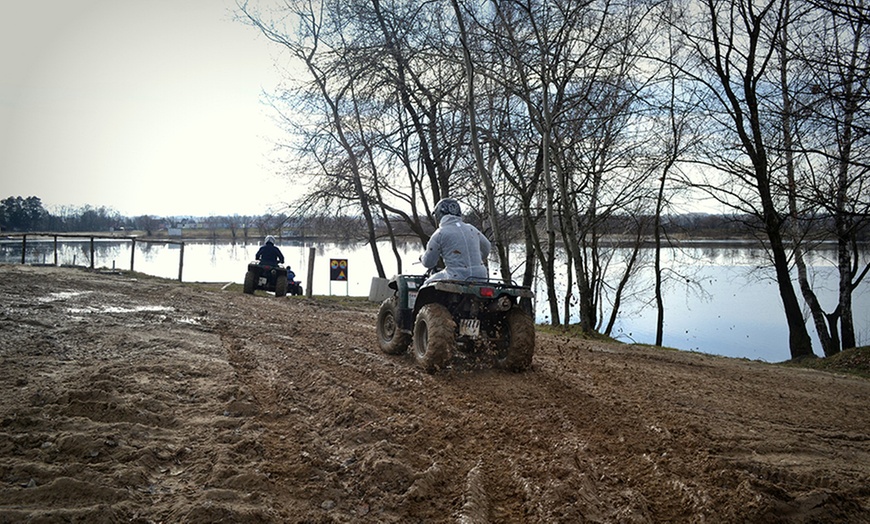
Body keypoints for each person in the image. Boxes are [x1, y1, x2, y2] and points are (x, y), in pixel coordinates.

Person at [420, 198, 491, 284]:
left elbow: (429, 263)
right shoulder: (472, 229)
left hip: (456, 276)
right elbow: (487, 248)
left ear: (439, 214)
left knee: (427, 284)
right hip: (481, 276)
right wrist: (474, 258)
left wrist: (422, 258)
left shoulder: (440, 233)